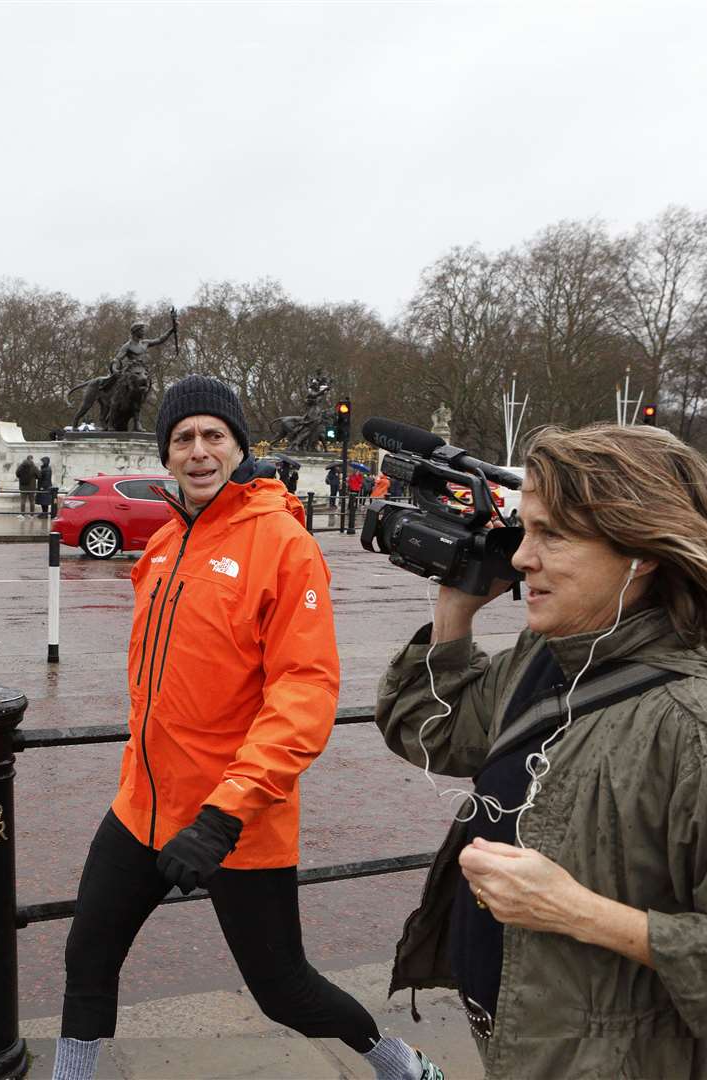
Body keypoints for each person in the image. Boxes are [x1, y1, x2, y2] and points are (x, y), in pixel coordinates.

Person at [374, 423, 707, 1079]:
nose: (522, 558)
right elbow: (432, 729)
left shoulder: (704, 730)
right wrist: (455, 609)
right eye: (526, 530)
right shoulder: (551, 654)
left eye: (554, 534)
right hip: (528, 1048)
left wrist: (581, 913)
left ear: (645, 550)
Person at [52, 375, 442, 1080]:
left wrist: (224, 814)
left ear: (237, 445)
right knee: (88, 955)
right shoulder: (166, 544)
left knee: (283, 990)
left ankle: (402, 1065)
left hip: (233, 819)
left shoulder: (283, 544)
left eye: (212, 435)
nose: (198, 451)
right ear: (166, 454)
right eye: (182, 438)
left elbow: (303, 693)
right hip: (142, 806)